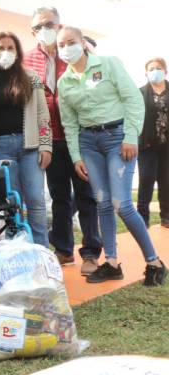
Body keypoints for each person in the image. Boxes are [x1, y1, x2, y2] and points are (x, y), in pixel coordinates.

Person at [57, 26, 167, 286]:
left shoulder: (108, 64)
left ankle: (154, 262)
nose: (66, 48)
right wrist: (76, 156)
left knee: (122, 204)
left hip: (118, 138)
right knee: (103, 203)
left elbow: (133, 100)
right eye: (61, 45)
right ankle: (112, 263)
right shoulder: (64, 82)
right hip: (88, 143)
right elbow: (69, 123)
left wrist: (131, 136)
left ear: (83, 43)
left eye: (71, 42)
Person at [23, 7, 101, 274]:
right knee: (59, 197)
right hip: (50, 139)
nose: (43, 30)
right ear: (32, 32)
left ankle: (91, 252)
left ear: (59, 25)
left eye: (48, 24)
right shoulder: (27, 60)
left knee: (86, 195)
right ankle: (64, 250)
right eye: (38, 27)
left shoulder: (75, 53)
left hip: (80, 137)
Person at [0, 31, 52, 247]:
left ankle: (41, 250)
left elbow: (42, 113)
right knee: (10, 202)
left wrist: (46, 146)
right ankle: (15, 251)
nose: (6, 52)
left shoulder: (31, 77)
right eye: (0, 48)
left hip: (30, 146)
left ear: (18, 53)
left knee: (35, 200)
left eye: (11, 48)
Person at [137, 57, 169, 228]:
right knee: (146, 180)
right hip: (147, 145)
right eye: (151, 69)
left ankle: (167, 216)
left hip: (167, 146)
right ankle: (142, 218)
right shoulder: (140, 93)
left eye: (158, 68)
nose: (154, 71)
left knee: (166, 181)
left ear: (165, 71)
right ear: (146, 73)